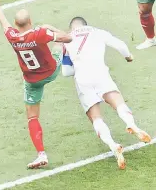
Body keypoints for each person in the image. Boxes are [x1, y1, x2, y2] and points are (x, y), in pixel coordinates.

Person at [0, 0, 72, 169]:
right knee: (59, 45)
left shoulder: (12, 37)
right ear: (30, 22)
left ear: (16, 25)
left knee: (32, 117)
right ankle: (73, 64)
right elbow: (68, 37)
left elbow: (4, 22)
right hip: (51, 71)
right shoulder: (40, 33)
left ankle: (41, 154)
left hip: (32, 81)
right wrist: (51, 27)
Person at [62, 17, 151, 169]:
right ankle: (131, 124)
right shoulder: (97, 32)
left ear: (72, 28)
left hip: (83, 79)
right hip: (100, 73)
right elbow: (120, 45)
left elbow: (66, 71)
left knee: (96, 118)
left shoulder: (67, 39)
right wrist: (128, 57)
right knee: (118, 102)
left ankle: (113, 145)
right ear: (86, 25)